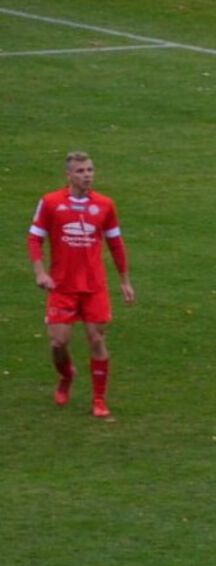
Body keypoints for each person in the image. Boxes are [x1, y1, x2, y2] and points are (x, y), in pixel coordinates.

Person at [28, 151, 135, 419]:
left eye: (89, 170)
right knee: (57, 343)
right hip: (62, 287)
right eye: (81, 171)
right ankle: (67, 375)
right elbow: (34, 238)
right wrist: (40, 273)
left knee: (96, 338)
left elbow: (115, 244)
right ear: (69, 175)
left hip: (94, 287)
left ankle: (99, 399)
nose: (87, 175)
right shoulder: (51, 203)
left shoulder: (105, 205)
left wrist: (124, 281)